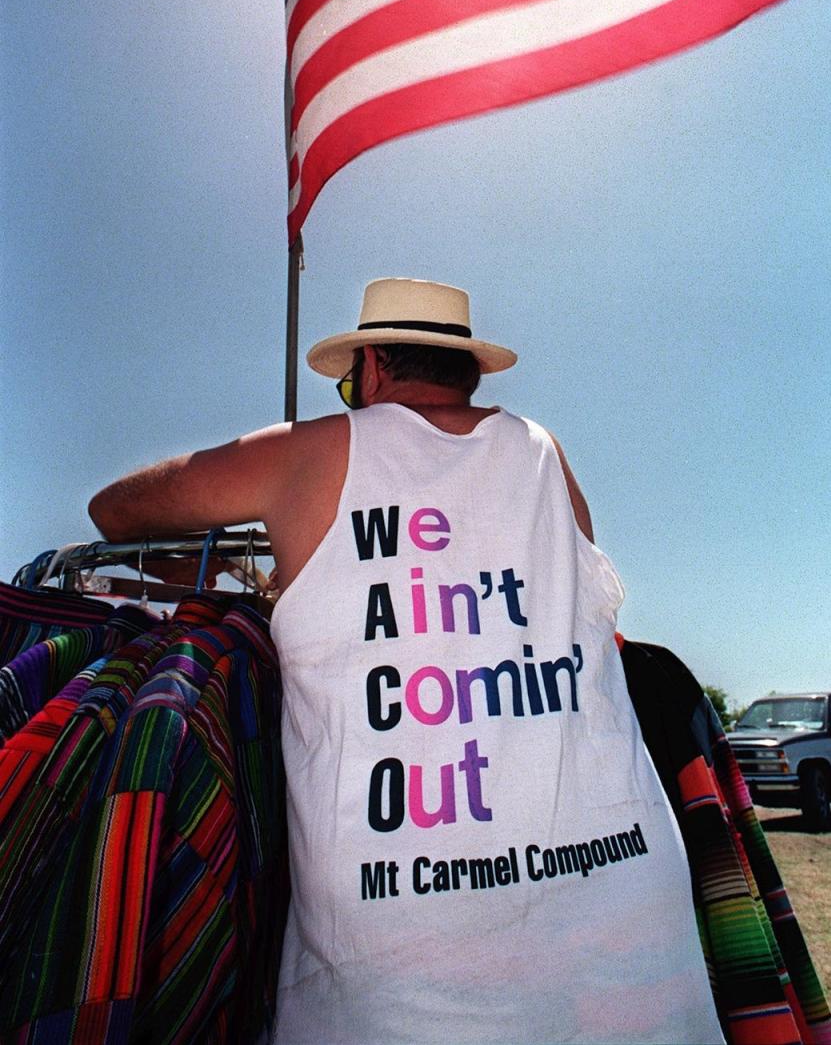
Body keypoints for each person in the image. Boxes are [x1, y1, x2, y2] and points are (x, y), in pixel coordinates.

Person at [89, 278, 725, 1045]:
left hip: (402, 969)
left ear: (374, 366)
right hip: (628, 934)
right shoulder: (541, 451)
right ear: (468, 371)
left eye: (351, 379)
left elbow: (115, 510)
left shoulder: (311, 452)